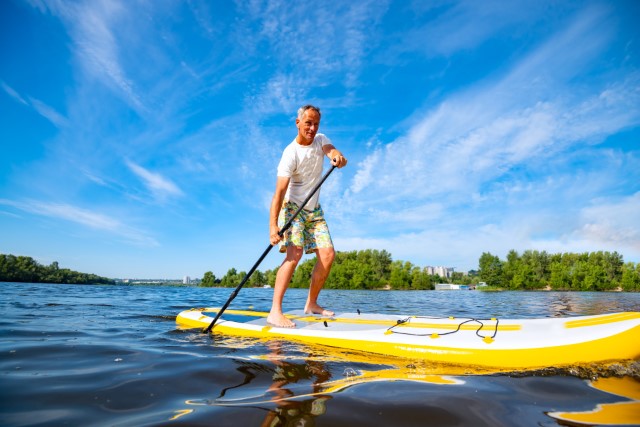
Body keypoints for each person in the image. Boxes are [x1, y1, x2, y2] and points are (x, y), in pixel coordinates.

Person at [267, 105, 347, 328]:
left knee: (328, 254)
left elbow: (333, 152)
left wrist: (338, 158)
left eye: (316, 124)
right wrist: (273, 227)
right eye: (308, 123)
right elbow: (279, 194)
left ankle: (311, 304)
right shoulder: (289, 154)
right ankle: (275, 311)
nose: (312, 128)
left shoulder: (321, 140)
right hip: (293, 208)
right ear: (298, 123)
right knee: (295, 253)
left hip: (314, 210)